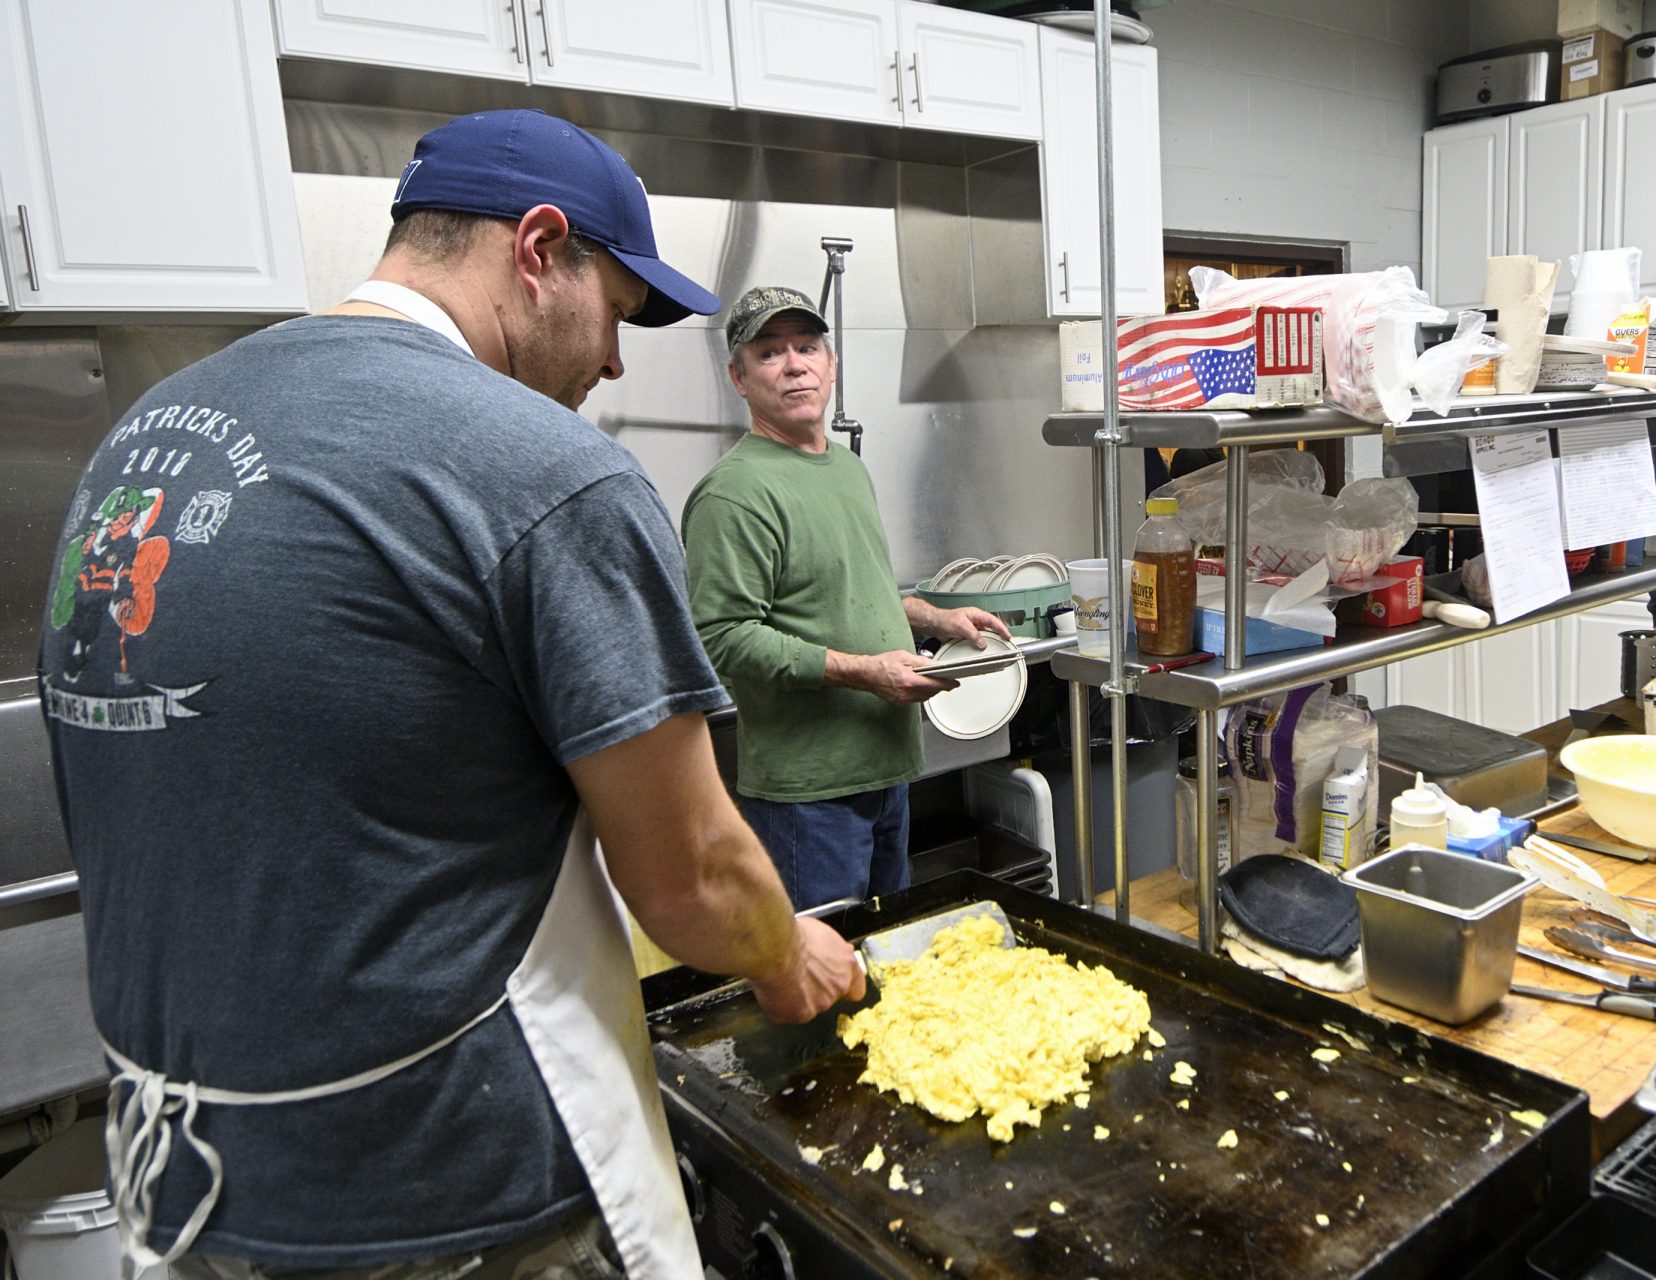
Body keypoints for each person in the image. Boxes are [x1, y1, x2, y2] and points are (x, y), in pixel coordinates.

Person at [37, 109, 862, 1280]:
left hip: (185, 1198)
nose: (615, 362)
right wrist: (787, 956)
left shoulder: (142, 444)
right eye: (618, 313)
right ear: (536, 250)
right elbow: (689, 872)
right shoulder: (542, 467)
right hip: (453, 1201)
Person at [682, 287, 1009, 911]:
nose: (795, 364)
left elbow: (856, 588)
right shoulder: (735, 493)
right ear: (738, 377)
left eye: (808, 347)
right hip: (808, 795)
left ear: (831, 365)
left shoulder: (846, 469)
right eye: (770, 352)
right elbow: (722, 635)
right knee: (828, 978)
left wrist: (934, 615)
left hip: (886, 769)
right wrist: (864, 672)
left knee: (887, 960)